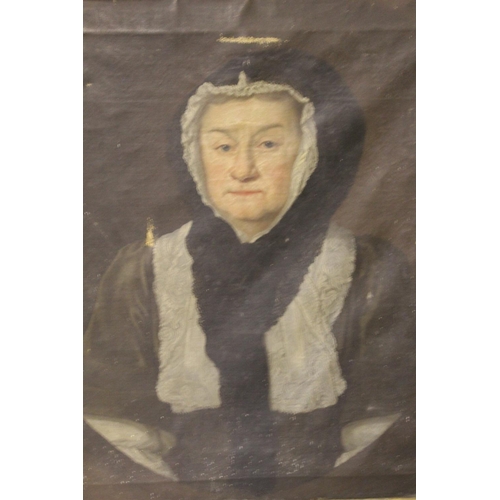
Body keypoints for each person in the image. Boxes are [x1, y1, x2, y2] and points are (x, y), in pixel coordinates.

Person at [83, 48, 415, 486]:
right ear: (194, 155)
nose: (242, 170)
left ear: (311, 150)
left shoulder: (367, 269)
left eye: (268, 144)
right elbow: (116, 433)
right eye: (223, 146)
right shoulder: (144, 272)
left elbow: (383, 443)